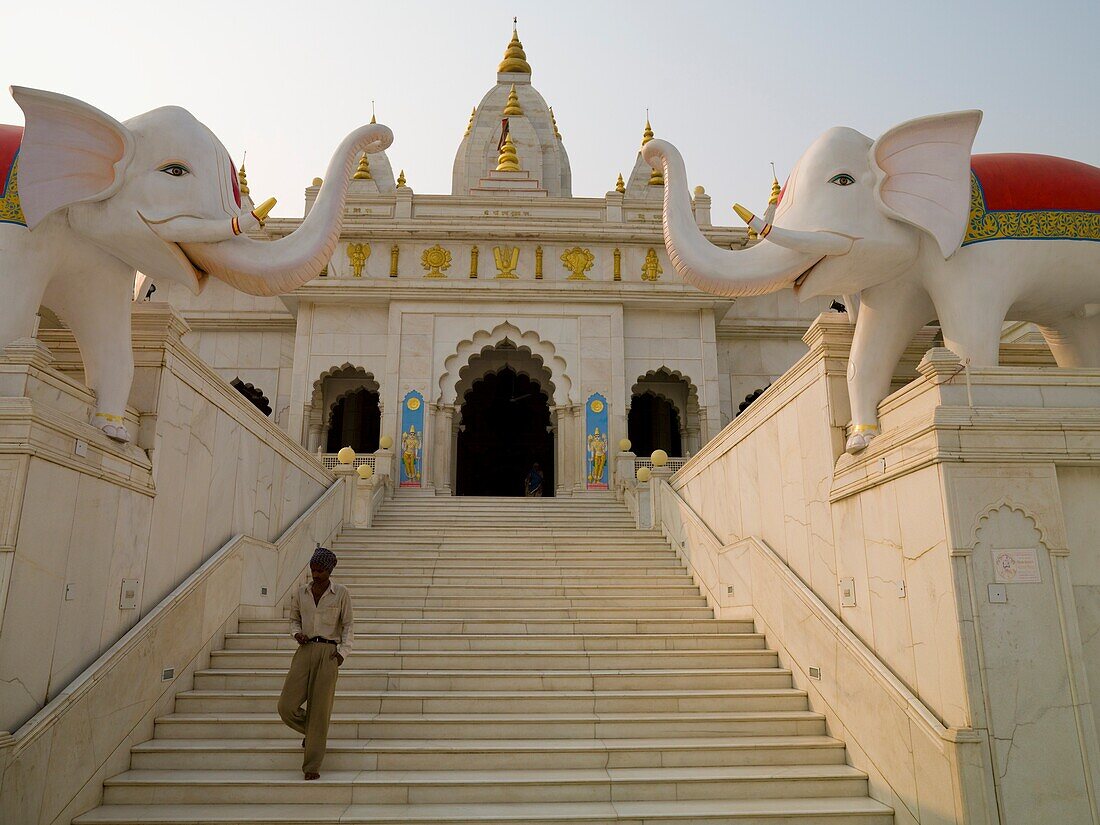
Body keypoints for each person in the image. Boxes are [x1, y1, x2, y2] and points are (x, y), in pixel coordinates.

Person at [277, 546, 353, 780]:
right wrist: (296, 633)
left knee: (320, 710)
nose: (315, 574)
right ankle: (312, 734)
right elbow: (294, 620)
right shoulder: (301, 592)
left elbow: (348, 625)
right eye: (313, 569)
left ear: (329, 570)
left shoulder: (341, 593)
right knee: (286, 705)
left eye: (320, 570)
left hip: (328, 653)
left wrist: (342, 653)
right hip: (305, 650)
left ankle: (312, 766)